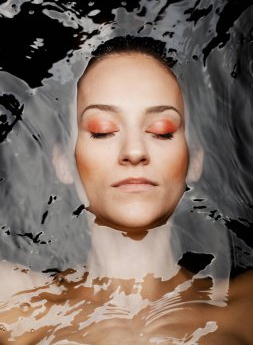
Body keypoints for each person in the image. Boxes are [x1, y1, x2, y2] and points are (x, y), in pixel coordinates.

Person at [0, 35, 253, 344]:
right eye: (102, 130)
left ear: (195, 159)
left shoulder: (244, 309)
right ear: (64, 161)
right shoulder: (13, 305)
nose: (134, 151)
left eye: (162, 131)